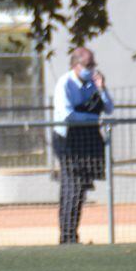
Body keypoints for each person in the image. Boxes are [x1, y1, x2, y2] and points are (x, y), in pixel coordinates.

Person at [52, 47, 113, 244]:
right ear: (76, 65)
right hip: (67, 140)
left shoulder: (93, 83)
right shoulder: (65, 83)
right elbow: (67, 115)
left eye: (93, 64)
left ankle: (72, 235)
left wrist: (102, 88)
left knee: (80, 190)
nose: (92, 69)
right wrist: (93, 118)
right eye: (88, 65)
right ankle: (66, 236)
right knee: (71, 187)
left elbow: (109, 108)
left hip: (86, 140)